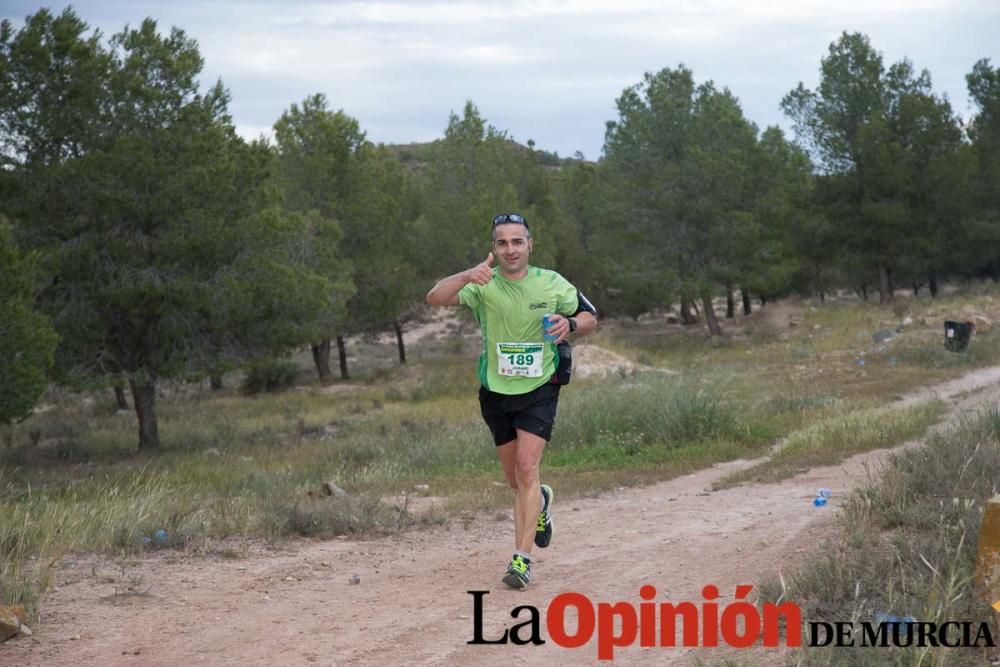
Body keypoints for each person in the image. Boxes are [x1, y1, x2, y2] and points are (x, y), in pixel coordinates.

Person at [425, 212, 597, 589]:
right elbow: (435, 297)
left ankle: (521, 560)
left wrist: (569, 325)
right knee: (516, 483)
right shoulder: (482, 285)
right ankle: (542, 502)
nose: (510, 249)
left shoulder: (551, 283)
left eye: (517, 241)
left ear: (530, 245)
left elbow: (590, 316)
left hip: (540, 387)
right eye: (502, 242)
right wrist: (467, 275)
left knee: (526, 467)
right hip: (495, 392)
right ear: (494, 249)